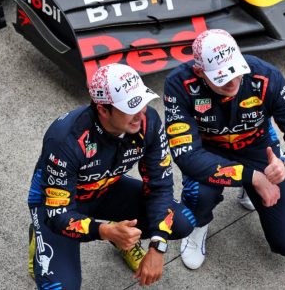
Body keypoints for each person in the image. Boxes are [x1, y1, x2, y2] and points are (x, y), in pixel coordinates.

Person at [27, 63, 195, 288]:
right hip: (57, 205)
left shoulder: (148, 121)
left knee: (183, 221)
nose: (140, 114)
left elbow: (160, 186)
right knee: (58, 287)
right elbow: (58, 214)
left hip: (106, 188)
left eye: (142, 102)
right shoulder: (64, 140)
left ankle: (124, 237)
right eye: (130, 107)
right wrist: (105, 231)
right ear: (103, 110)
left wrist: (158, 244)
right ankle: (39, 236)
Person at [163, 29, 285, 269]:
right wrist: (252, 177)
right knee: (199, 195)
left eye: (236, 70)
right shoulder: (178, 84)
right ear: (199, 72)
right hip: (207, 153)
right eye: (221, 77)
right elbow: (187, 155)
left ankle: (258, 186)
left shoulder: (266, 76)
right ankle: (199, 224)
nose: (232, 81)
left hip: (257, 148)